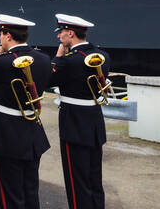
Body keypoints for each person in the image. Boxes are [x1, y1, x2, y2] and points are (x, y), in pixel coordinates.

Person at [0, 14, 51, 209]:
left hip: (5, 135)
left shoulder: (0, 61)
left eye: (0, 35)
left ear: (8, 35)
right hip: (32, 132)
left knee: (9, 194)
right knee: (30, 191)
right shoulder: (44, 59)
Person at [49, 14, 109, 209]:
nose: (59, 37)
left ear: (71, 33)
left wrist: (59, 55)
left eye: (61, 33)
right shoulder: (103, 56)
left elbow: (48, 79)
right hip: (94, 122)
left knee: (76, 181)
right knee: (94, 177)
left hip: (73, 123)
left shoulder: (67, 61)